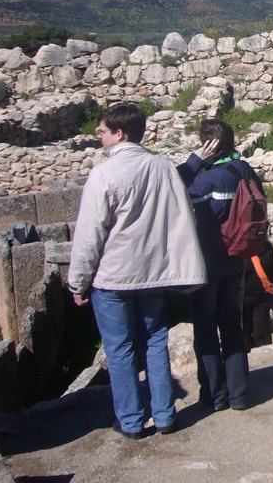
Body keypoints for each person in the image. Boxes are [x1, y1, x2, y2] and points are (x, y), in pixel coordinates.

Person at [68, 102, 206, 439]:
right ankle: (164, 416)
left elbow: (90, 233)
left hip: (113, 276)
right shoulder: (162, 168)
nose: (98, 137)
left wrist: (78, 281)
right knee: (155, 341)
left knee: (120, 347)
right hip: (153, 273)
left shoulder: (103, 173)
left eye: (102, 132)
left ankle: (130, 421)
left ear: (120, 133)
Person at [177, 118, 258, 413]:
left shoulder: (206, 179)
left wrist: (195, 161)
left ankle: (214, 395)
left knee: (206, 329)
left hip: (207, 263)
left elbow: (174, 188)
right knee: (232, 326)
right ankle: (239, 393)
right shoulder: (244, 169)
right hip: (237, 259)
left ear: (207, 144)